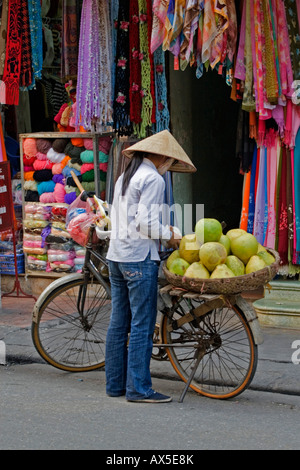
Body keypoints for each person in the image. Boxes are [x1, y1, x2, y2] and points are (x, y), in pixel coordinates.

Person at [105, 130, 196, 403]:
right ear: (161, 157)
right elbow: (145, 224)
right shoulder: (153, 178)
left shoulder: (127, 175)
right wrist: (171, 235)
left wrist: (161, 229)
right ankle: (139, 389)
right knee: (143, 325)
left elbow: (131, 218)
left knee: (119, 322)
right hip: (138, 258)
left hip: (117, 256)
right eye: (168, 160)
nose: (168, 165)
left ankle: (115, 385)